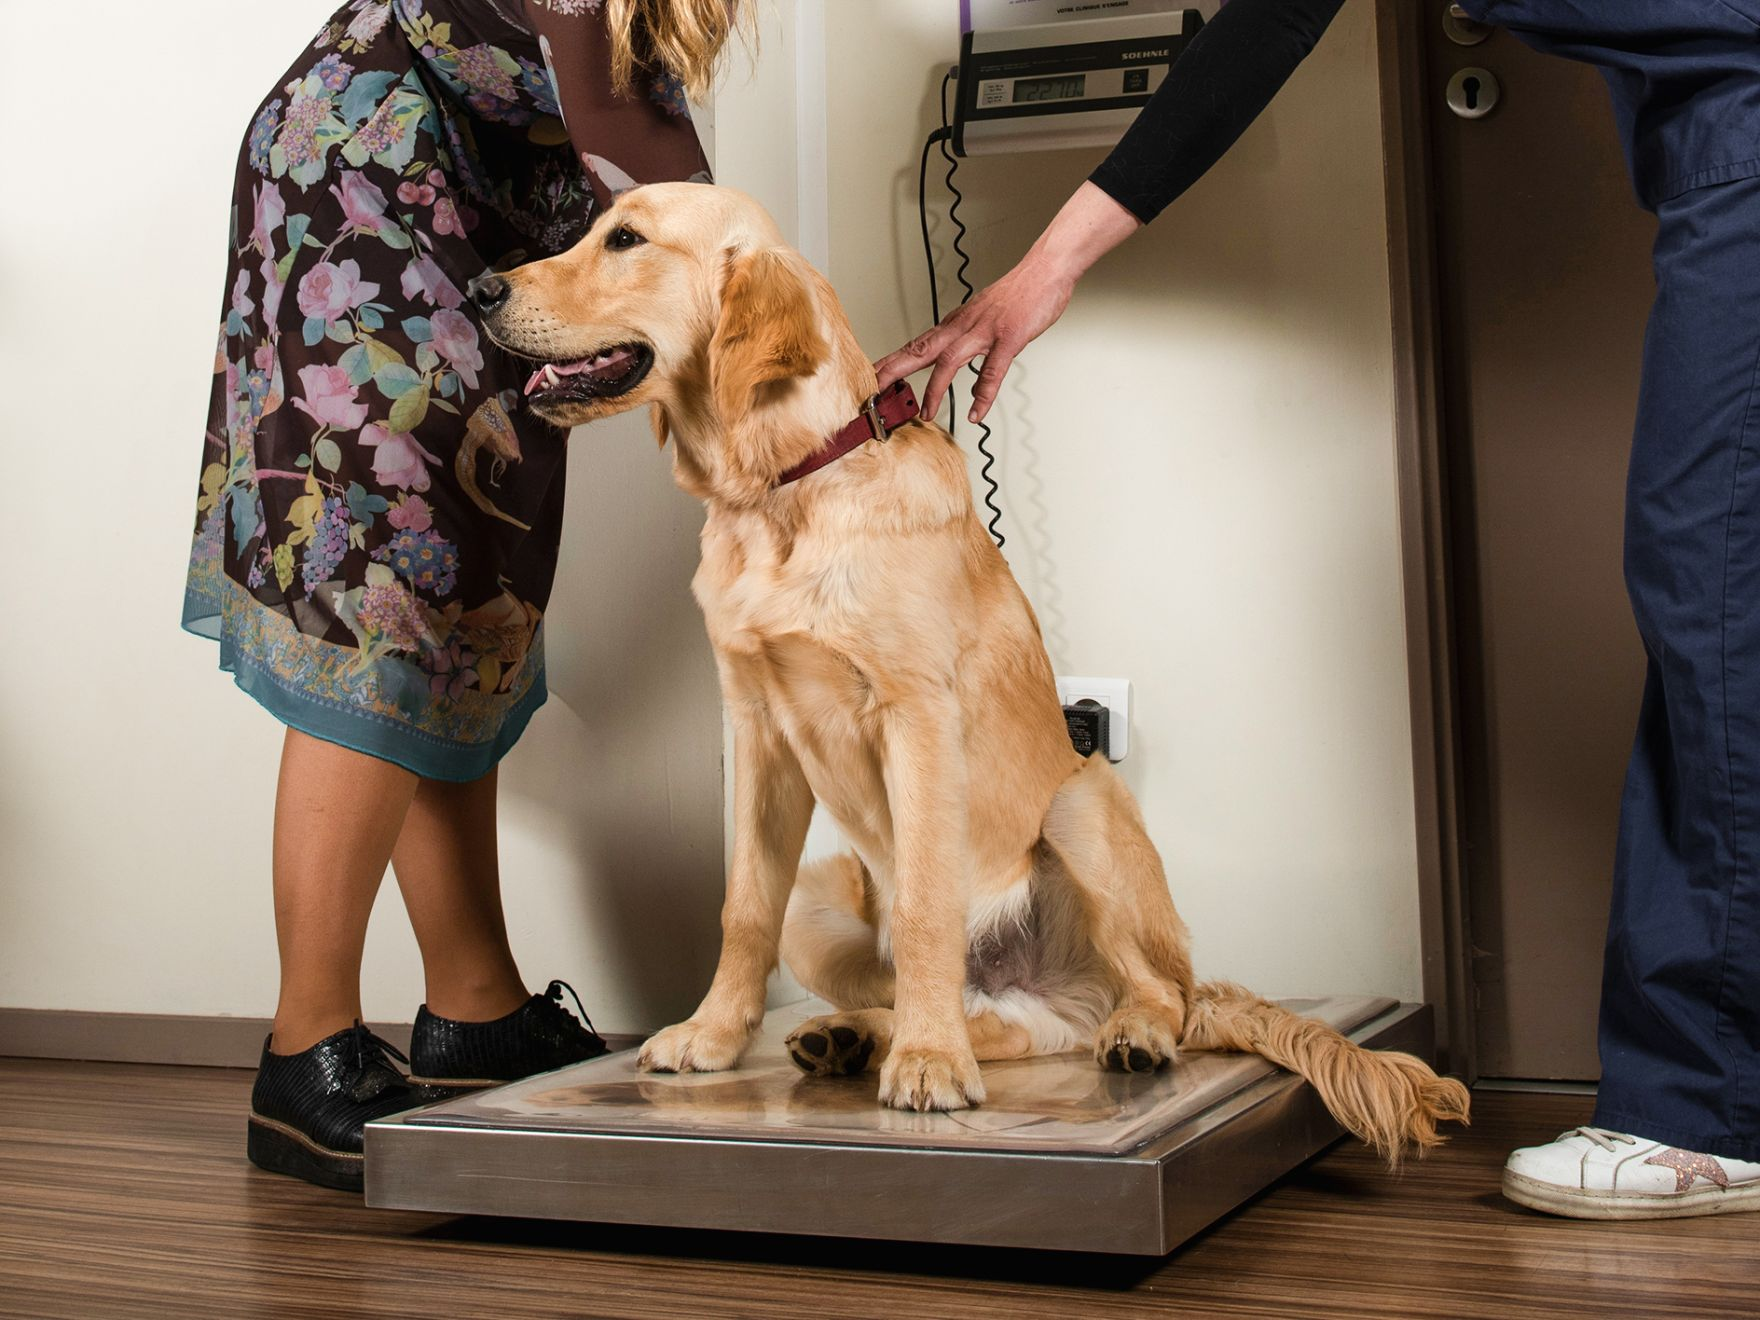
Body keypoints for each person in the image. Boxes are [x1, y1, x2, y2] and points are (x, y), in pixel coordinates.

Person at [879, 0, 1760, 1220]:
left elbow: (1269, 20)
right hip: (1720, 149)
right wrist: (1045, 270)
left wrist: (1046, 268)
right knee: (1714, 593)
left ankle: (1704, 1115)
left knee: (1710, 594)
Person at [182, 0, 749, 1192]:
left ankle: (474, 1006)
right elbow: (662, 193)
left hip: (460, 219)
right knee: (385, 590)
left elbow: (653, 187)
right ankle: (305, 1049)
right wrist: (793, 342)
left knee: (465, 596)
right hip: (362, 204)